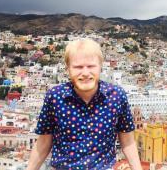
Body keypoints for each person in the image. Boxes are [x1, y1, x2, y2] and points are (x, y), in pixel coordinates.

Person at [26, 39, 142, 170]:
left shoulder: (116, 96)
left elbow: (127, 140)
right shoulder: (55, 97)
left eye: (91, 66)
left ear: (101, 66)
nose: (85, 73)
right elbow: (44, 142)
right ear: (67, 68)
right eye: (78, 67)